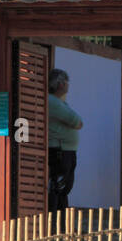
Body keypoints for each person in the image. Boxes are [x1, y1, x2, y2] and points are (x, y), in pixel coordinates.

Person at [47, 68, 83, 212]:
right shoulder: (53, 102)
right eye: (67, 82)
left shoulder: (59, 101)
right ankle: (54, 224)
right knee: (58, 187)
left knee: (64, 188)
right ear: (61, 84)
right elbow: (76, 121)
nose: (68, 85)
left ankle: (61, 225)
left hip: (66, 151)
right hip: (60, 151)